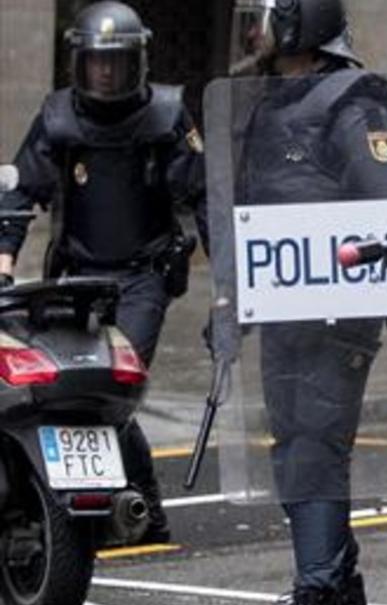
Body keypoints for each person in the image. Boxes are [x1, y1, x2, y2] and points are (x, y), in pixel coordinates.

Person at [221, 0, 387, 605]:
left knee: (315, 448)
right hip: (283, 311)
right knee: (295, 450)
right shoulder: (266, 100)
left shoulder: (357, 102)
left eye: (263, 18)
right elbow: (246, 207)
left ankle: (311, 604)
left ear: (302, 22)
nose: (251, 32)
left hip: (338, 316)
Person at [0, 0, 206, 545]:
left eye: (116, 63)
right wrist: (3, 257)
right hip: (77, 277)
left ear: (137, 62)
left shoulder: (168, 114)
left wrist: (231, 287)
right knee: (68, 390)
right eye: (97, 63)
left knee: (113, 390)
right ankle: (67, 508)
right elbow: (21, 190)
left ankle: (146, 509)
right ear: (81, 63)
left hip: (143, 276)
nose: (106, 74)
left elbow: (205, 196)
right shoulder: (58, 115)